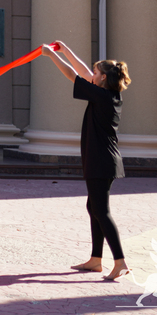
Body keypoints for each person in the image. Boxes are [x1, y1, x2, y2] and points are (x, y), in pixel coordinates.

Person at [41, 40, 130, 281]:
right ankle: (95, 260)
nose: (92, 74)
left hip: (101, 160)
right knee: (94, 207)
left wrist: (52, 56)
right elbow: (82, 71)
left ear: (102, 78)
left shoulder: (102, 96)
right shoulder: (108, 93)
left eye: (96, 72)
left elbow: (73, 74)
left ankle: (120, 262)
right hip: (101, 159)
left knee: (101, 210)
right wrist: (66, 49)